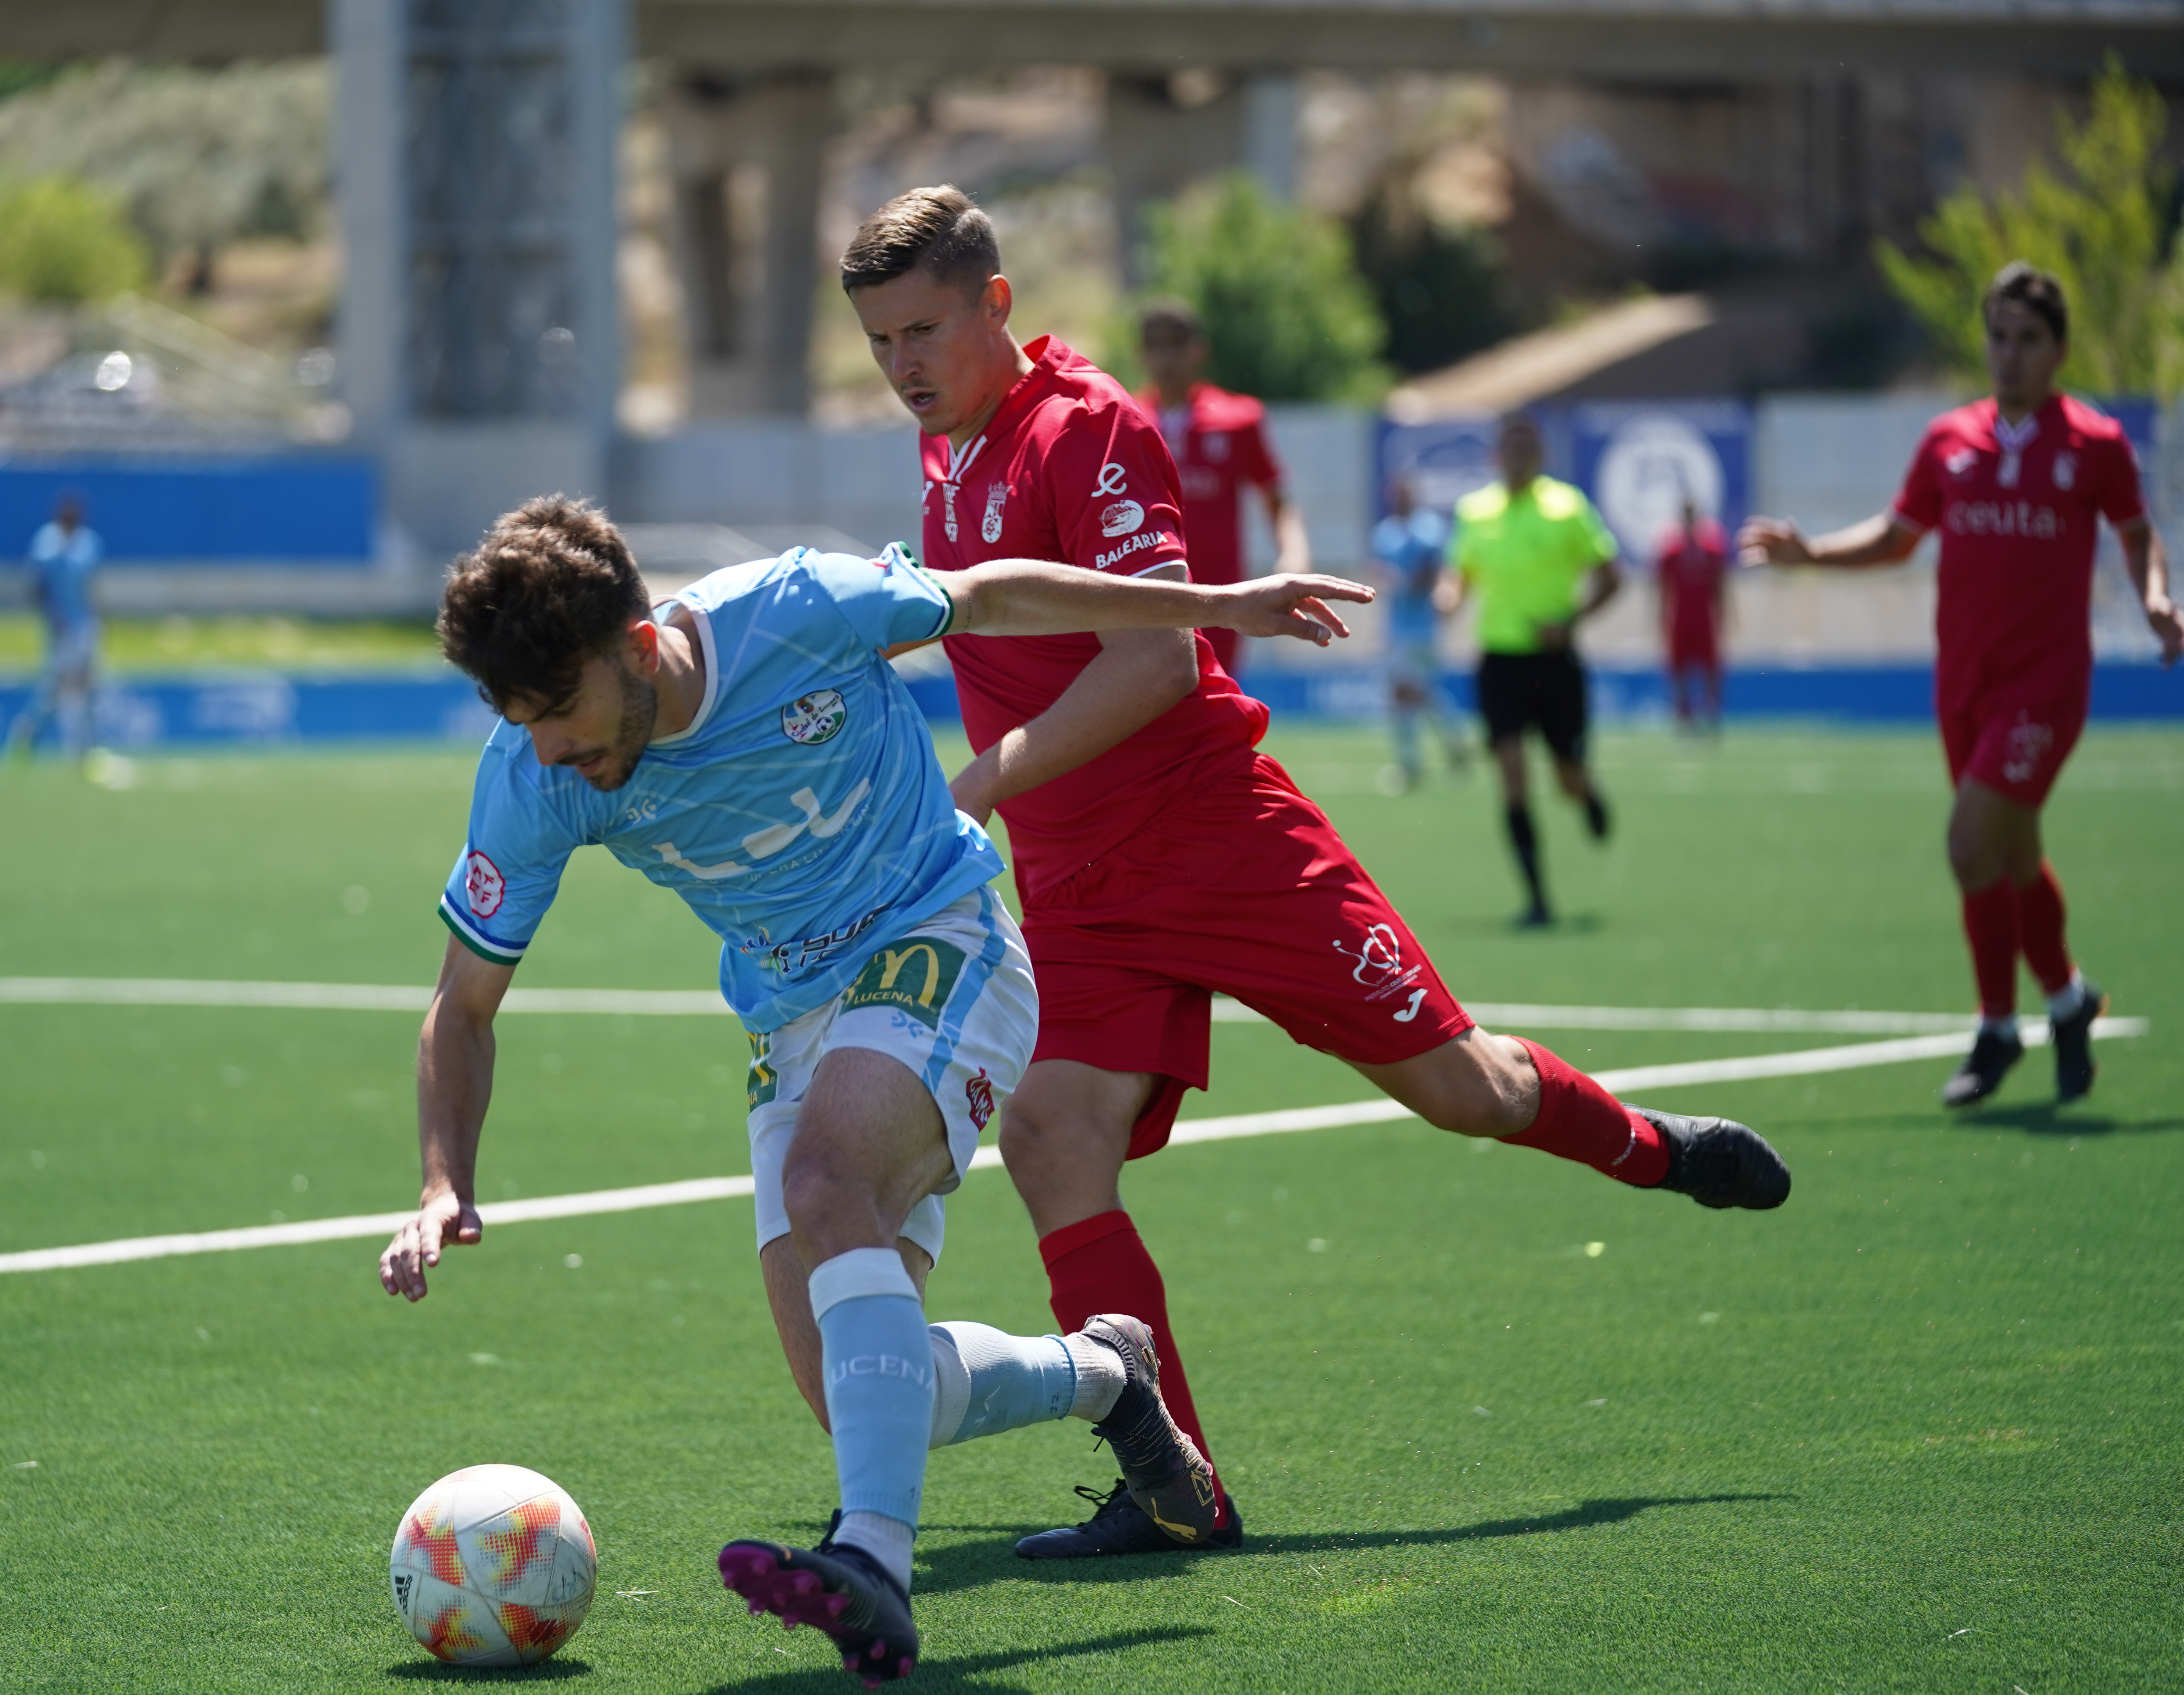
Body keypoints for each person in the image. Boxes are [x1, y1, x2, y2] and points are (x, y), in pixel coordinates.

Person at [844, 184, 1790, 1562]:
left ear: (997, 302)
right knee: (1053, 1140)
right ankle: (1179, 1487)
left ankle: (1654, 1151)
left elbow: (1155, 662)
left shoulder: (1085, 424)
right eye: (879, 342)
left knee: (1465, 1091)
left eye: (923, 330)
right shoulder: (943, 453)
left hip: (1222, 840)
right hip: (1078, 880)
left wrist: (977, 781)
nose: (902, 367)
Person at [377, 495, 1378, 1680]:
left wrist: (1215, 604)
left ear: (637, 646)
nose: (550, 750)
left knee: (825, 1183)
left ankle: (871, 1568)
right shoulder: (534, 776)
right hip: (791, 1017)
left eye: (562, 712)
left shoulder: (799, 608)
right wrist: (445, 1181)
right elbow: (465, 1002)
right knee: (863, 1395)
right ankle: (1110, 1378)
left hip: (943, 936)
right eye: (519, 721)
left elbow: (994, 593)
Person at [1739, 261, 2178, 1107]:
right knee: (2011, 854)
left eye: (2028, 340)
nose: (2009, 355)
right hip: (1964, 681)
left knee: (1970, 843)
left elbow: (2136, 534)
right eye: (1998, 336)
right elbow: (1900, 536)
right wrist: (1812, 553)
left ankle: (1996, 1026)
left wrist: (2157, 597)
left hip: (2045, 684)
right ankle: (2068, 1001)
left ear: (2059, 349)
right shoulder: (1950, 439)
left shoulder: (2095, 442)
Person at [1435, 413, 1621, 928]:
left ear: (1540, 455)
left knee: (1565, 777)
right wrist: (1448, 596)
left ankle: (1587, 793)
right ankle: (1538, 899)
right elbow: (1460, 572)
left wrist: (1573, 621)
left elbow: (1611, 577)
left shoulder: (1569, 507)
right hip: (1499, 662)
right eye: (1509, 448)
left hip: (1556, 663)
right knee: (1513, 775)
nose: (1517, 458)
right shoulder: (1476, 512)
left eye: (1526, 448)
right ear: (1497, 456)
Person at [1128, 300, 1310, 676]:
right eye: (1156, 346)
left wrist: (1294, 553)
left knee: (1215, 704)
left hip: (1221, 598)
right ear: (1142, 356)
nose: (1167, 358)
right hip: (1144, 592)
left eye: (1176, 345)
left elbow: (1277, 497)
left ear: (1198, 350)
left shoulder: (1238, 418)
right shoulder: (1124, 418)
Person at [1369, 473, 1472, 786]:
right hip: (1396, 626)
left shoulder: (1429, 529)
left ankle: (1411, 765)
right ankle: (1455, 744)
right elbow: (1379, 572)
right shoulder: (1385, 533)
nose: (1399, 499)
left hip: (1423, 626)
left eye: (1404, 493)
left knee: (1408, 693)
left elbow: (1435, 572)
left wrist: (1408, 582)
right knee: (1415, 694)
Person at [7, 490, 103, 765]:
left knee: (89, 685)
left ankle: (85, 749)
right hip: (60, 627)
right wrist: (52, 615)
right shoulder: (45, 544)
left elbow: (93, 585)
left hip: (84, 625)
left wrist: (97, 617)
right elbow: (34, 588)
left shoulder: (89, 543)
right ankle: (28, 732)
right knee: (56, 690)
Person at [1656, 497, 1730, 733]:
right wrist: (1660, 618)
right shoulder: (1671, 551)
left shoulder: (1712, 550)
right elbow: (1662, 589)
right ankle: (1684, 715)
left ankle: (1711, 713)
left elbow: (1722, 586)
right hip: (1681, 619)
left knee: (1711, 669)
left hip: (1704, 619)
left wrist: (1726, 617)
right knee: (1679, 670)